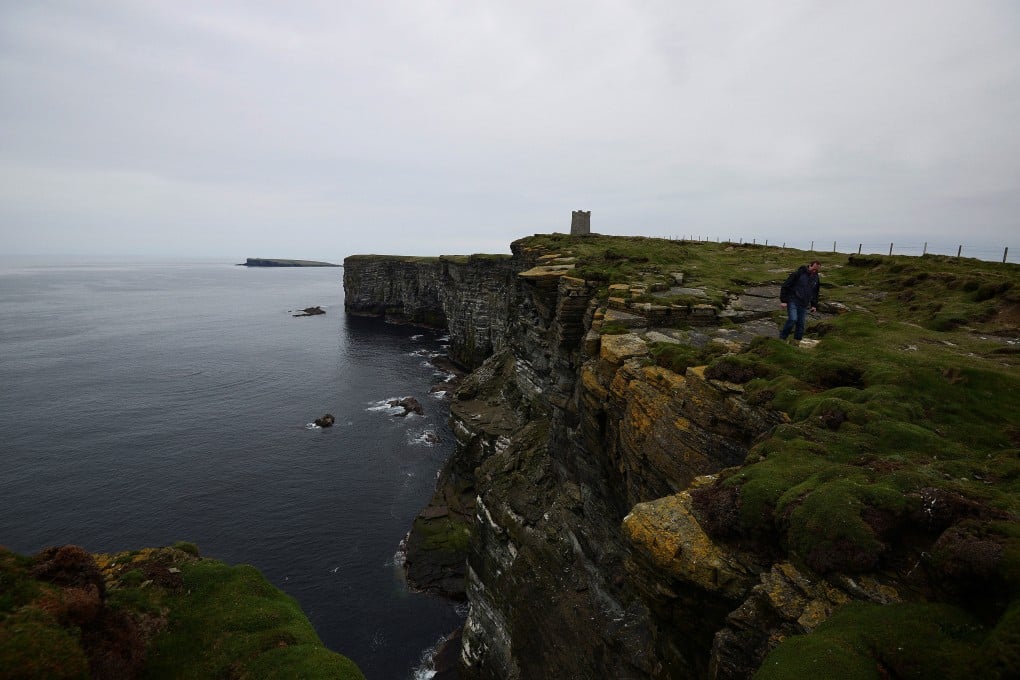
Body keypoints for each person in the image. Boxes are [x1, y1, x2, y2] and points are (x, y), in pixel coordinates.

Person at [779, 260, 820, 342]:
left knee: (801, 324)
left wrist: (813, 305)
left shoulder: (816, 278)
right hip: (793, 300)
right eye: (814, 268)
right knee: (793, 319)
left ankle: (797, 341)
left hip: (804, 304)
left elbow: (815, 292)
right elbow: (785, 286)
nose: (814, 271)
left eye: (817, 270)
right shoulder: (798, 274)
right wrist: (783, 301)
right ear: (810, 265)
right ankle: (782, 338)